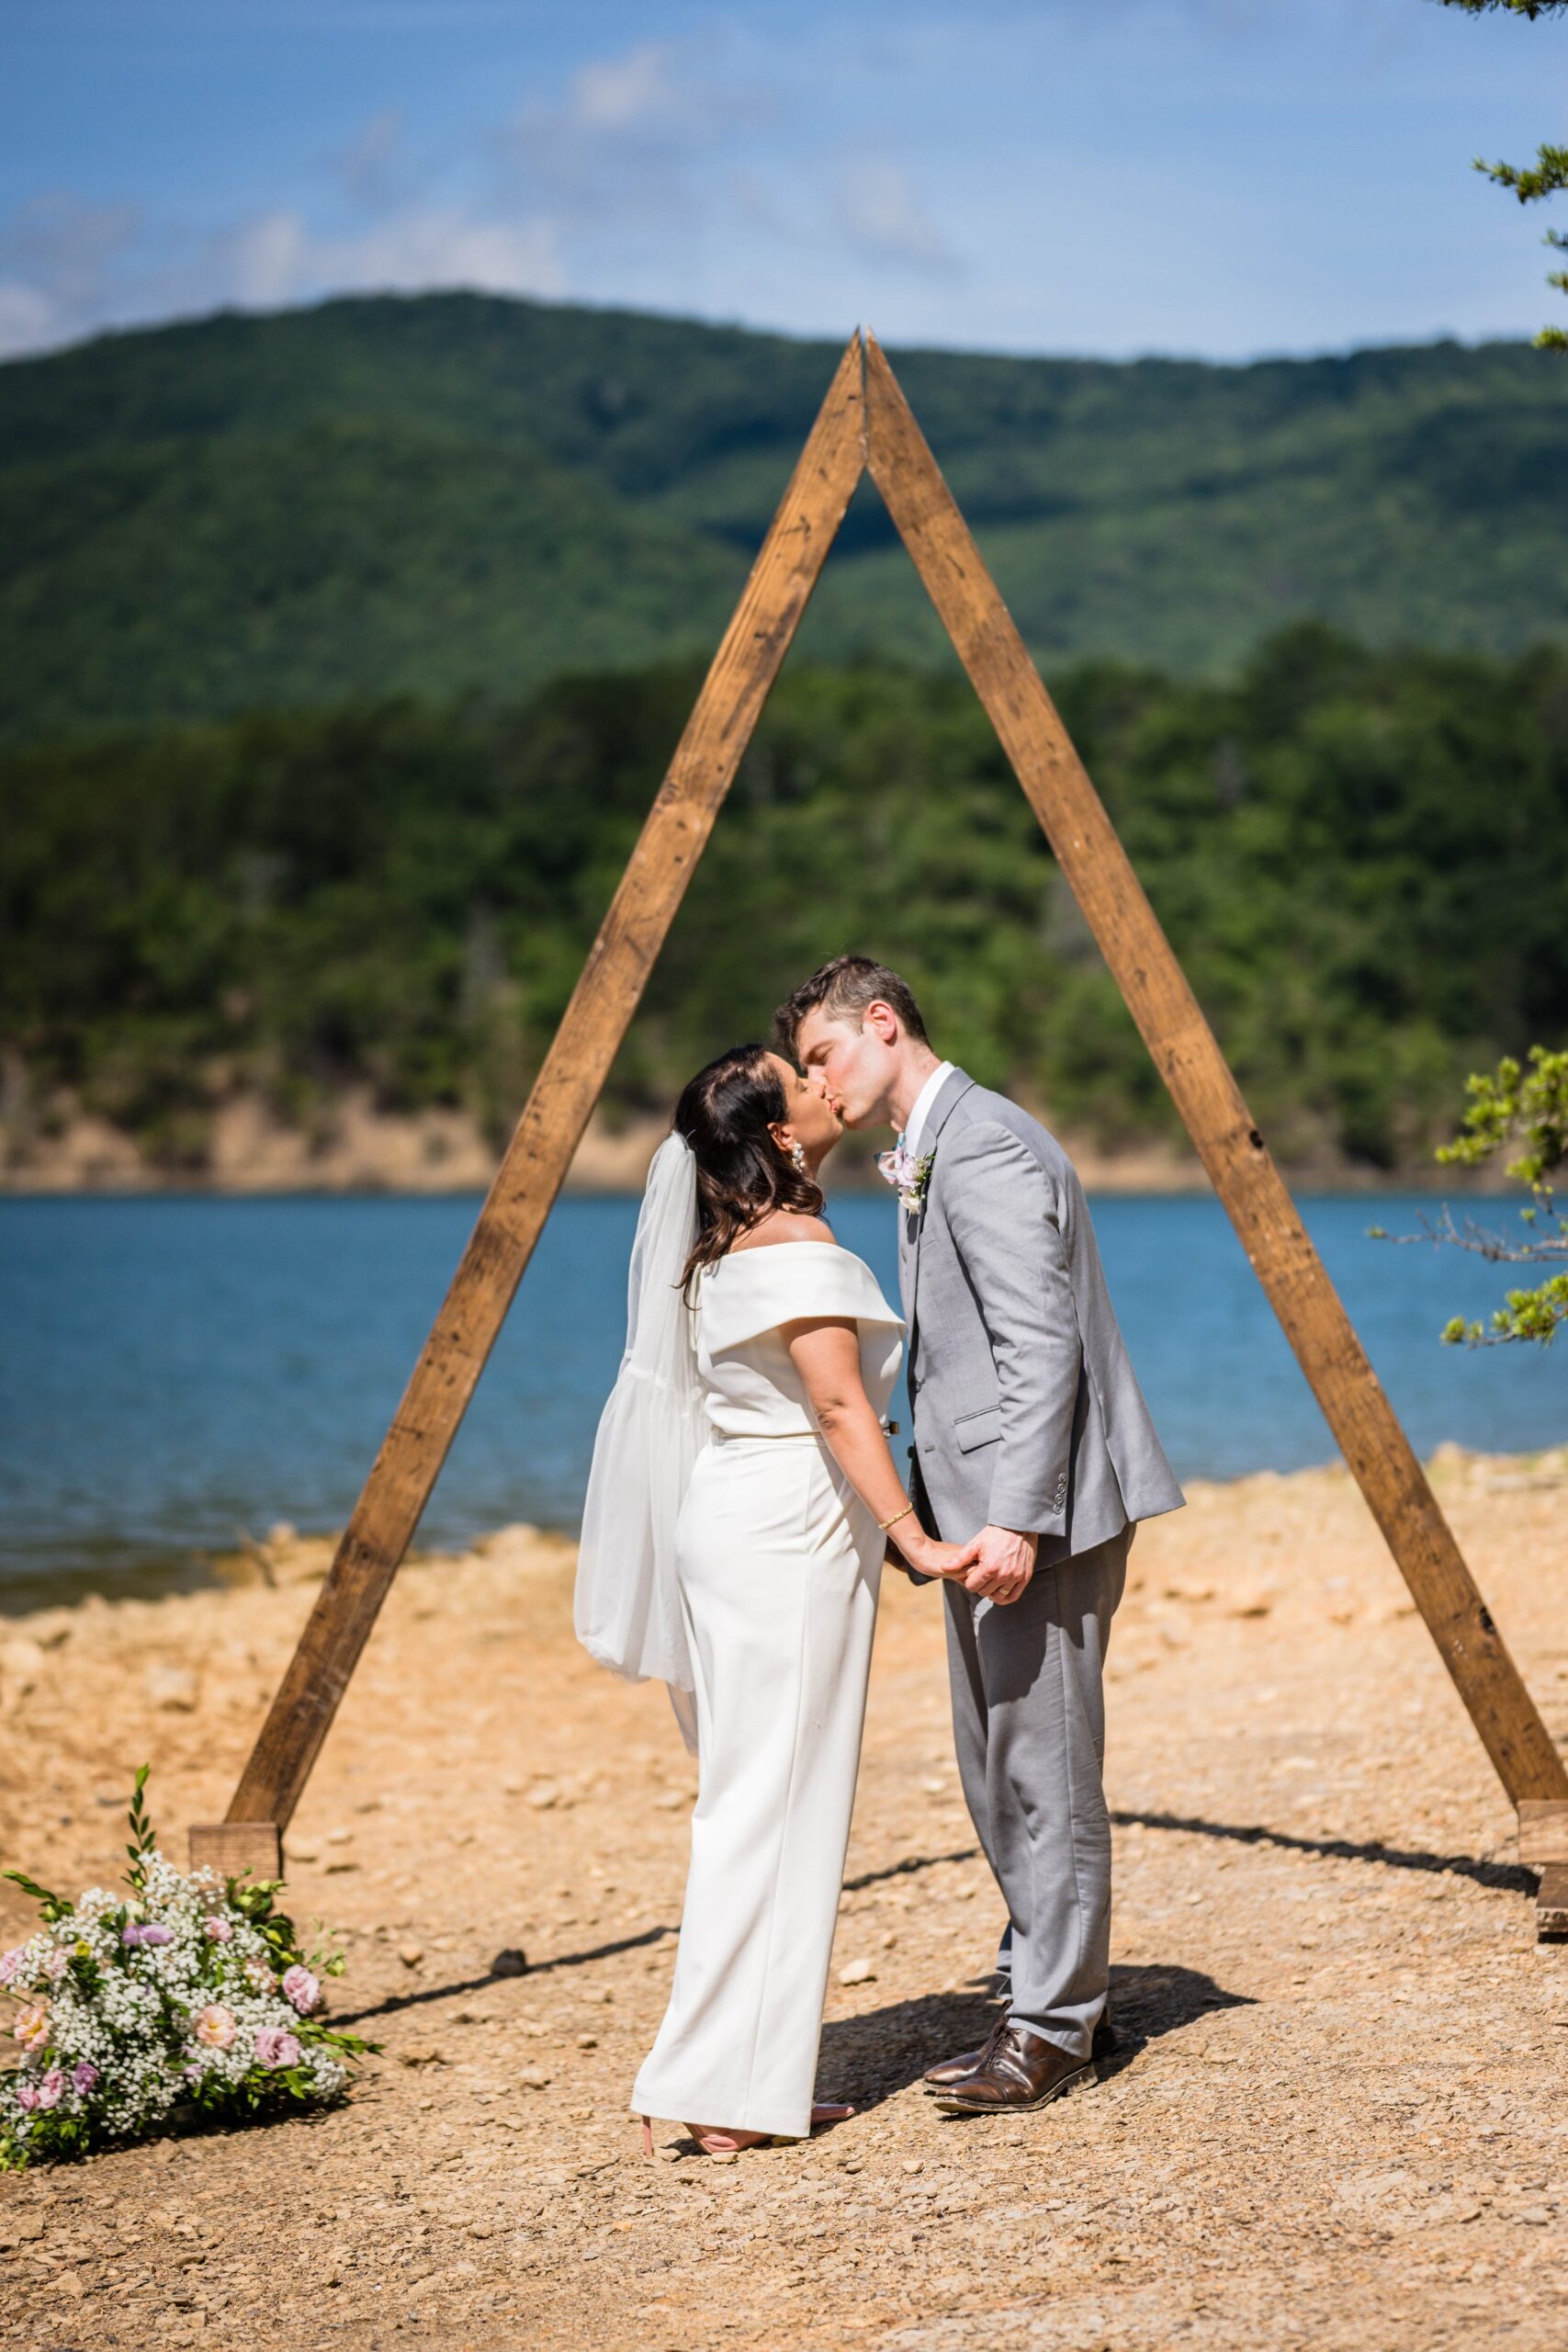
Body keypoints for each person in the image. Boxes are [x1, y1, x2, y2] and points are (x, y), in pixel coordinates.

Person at [775, 956, 1185, 2118]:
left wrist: (1015, 1515)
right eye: (806, 1067)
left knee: (1042, 1765)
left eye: (824, 1055)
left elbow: (1037, 1346)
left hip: (1031, 1515)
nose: (818, 1082)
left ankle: (1054, 2029)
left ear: (885, 1024)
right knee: (996, 1763)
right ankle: (1040, 1994)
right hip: (981, 1511)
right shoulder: (934, 1144)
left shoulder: (988, 1143)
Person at [574, 1043, 979, 2156]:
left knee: (759, 1796)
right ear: (783, 1136)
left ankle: (740, 2081)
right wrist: (917, 1539)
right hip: (788, 1534)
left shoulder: (721, 1250)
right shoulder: (797, 1245)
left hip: (739, 1516)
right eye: (798, 1080)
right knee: (773, 1803)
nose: (821, 1083)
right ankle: (711, 2086)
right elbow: (844, 1411)